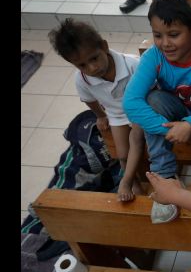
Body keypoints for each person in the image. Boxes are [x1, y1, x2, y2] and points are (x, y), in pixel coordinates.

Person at [124, 0, 191, 224]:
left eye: (174, 34)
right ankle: (165, 175)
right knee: (154, 100)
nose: (165, 43)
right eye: (158, 35)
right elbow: (131, 103)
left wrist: (189, 126)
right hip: (172, 115)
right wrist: (169, 130)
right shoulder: (154, 56)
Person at [48, 18, 146, 202]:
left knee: (137, 140)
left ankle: (125, 181)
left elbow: (151, 89)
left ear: (104, 46)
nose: (92, 68)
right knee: (121, 153)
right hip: (116, 115)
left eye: (94, 58)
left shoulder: (133, 64)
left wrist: (143, 113)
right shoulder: (82, 79)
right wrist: (100, 116)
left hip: (140, 110)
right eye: (82, 65)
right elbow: (90, 100)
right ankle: (135, 184)